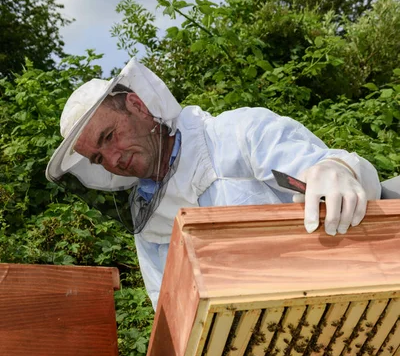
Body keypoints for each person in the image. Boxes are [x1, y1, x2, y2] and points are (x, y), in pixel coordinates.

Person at [47, 58, 381, 310]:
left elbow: (317, 167)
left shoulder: (238, 134)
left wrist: (335, 167)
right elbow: (171, 314)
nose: (113, 159)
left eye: (109, 136)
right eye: (97, 158)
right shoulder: (148, 224)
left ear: (138, 107)